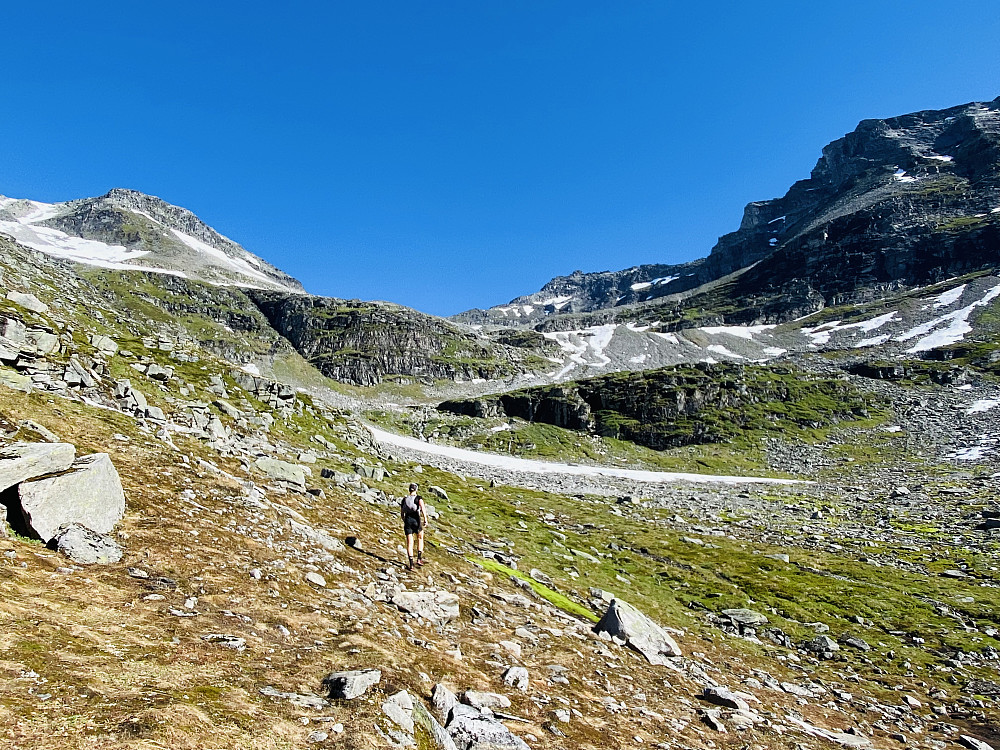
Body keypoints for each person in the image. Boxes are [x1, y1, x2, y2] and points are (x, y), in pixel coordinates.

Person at [400, 482, 428, 570]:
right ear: (416, 490)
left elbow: (402, 513)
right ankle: (419, 559)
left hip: (408, 520)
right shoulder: (418, 498)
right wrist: (425, 519)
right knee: (420, 537)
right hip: (416, 519)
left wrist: (405, 520)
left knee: (410, 543)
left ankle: (411, 564)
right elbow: (422, 508)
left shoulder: (404, 499)